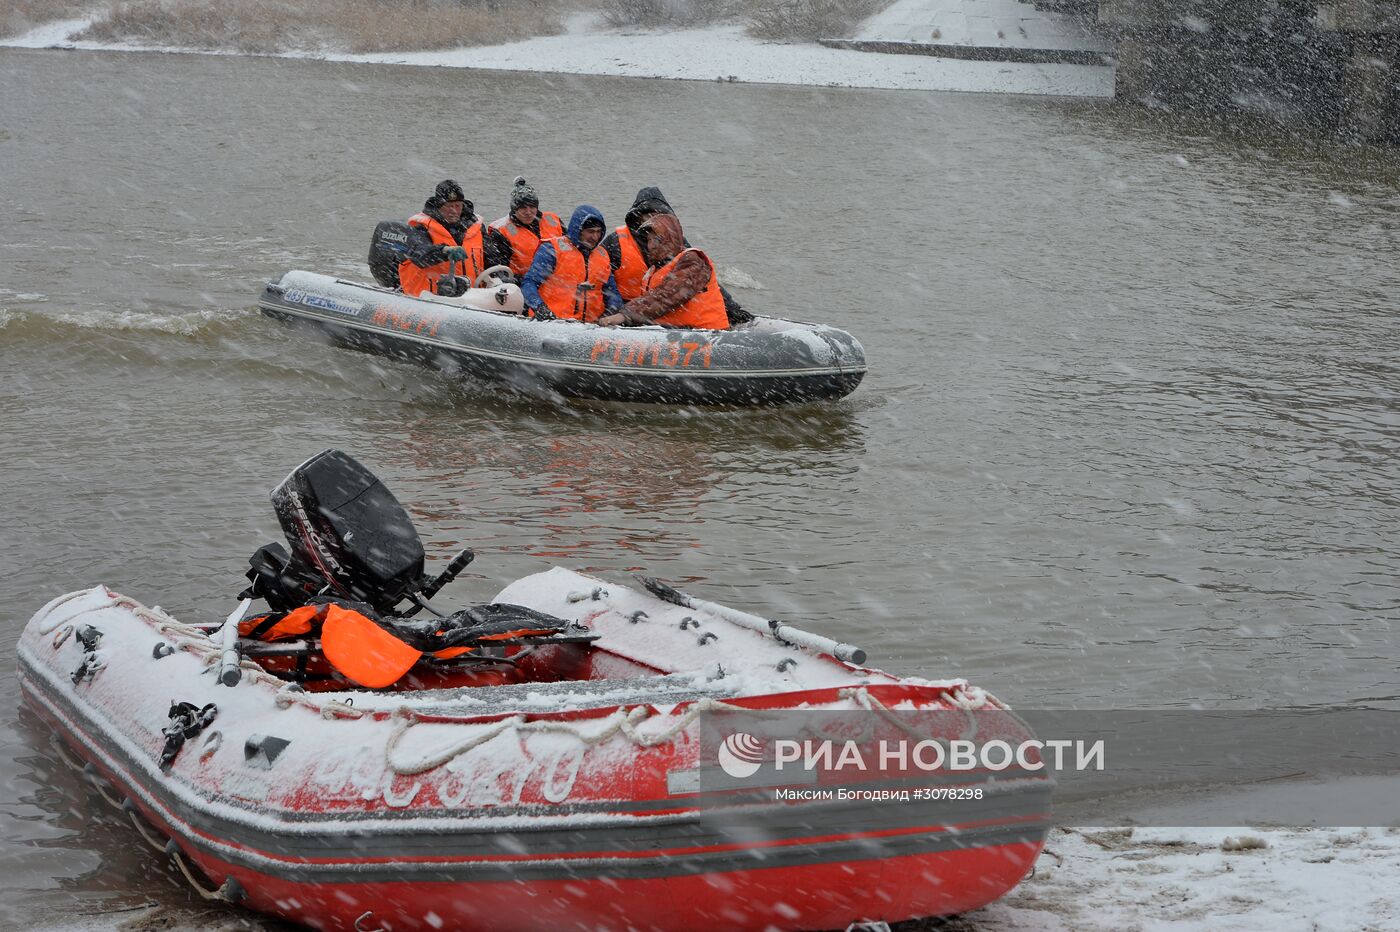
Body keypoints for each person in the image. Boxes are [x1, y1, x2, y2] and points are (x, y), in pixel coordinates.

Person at [602, 185, 752, 324]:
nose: (654, 221)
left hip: (695, 328)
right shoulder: (616, 242)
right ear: (638, 217)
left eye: (658, 215)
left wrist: (733, 311)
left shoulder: (685, 252)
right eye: (648, 216)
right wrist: (615, 306)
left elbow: (669, 294)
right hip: (640, 313)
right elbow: (597, 271)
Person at [597, 213, 729, 331]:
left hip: (707, 334)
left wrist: (625, 315)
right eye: (649, 240)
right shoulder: (655, 270)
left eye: (657, 239)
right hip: (676, 333)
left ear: (669, 239)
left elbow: (668, 296)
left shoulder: (692, 260)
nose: (651, 245)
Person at [399, 180, 506, 298]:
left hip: (473, 298)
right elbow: (418, 254)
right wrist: (444, 251)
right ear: (438, 206)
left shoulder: (477, 227)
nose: (454, 211)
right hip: (430, 298)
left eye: (458, 205)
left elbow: (492, 258)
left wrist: (499, 277)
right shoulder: (421, 227)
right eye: (449, 206)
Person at [521, 205, 623, 322]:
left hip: (592, 326)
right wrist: (540, 308)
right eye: (590, 232)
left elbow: (612, 292)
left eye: (598, 232)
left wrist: (609, 314)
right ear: (578, 230)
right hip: (552, 322)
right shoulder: (552, 250)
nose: (595, 237)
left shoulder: (602, 255)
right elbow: (529, 284)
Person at [489, 177, 565, 279]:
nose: (528, 212)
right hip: (524, 283)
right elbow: (498, 270)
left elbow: (570, 249)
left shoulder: (553, 220)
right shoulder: (502, 232)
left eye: (532, 207)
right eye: (523, 207)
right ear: (514, 209)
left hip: (559, 281)